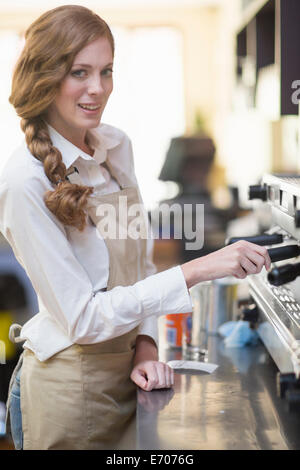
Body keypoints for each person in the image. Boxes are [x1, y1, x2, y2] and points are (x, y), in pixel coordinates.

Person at [0, 5, 271, 450]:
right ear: (44, 77)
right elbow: (84, 318)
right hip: (71, 390)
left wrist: (145, 345)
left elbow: (139, 266)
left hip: (133, 375)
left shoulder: (115, 146)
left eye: (106, 71)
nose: (98, 89)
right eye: (79, 73)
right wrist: (198, 268)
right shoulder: (23, 180)